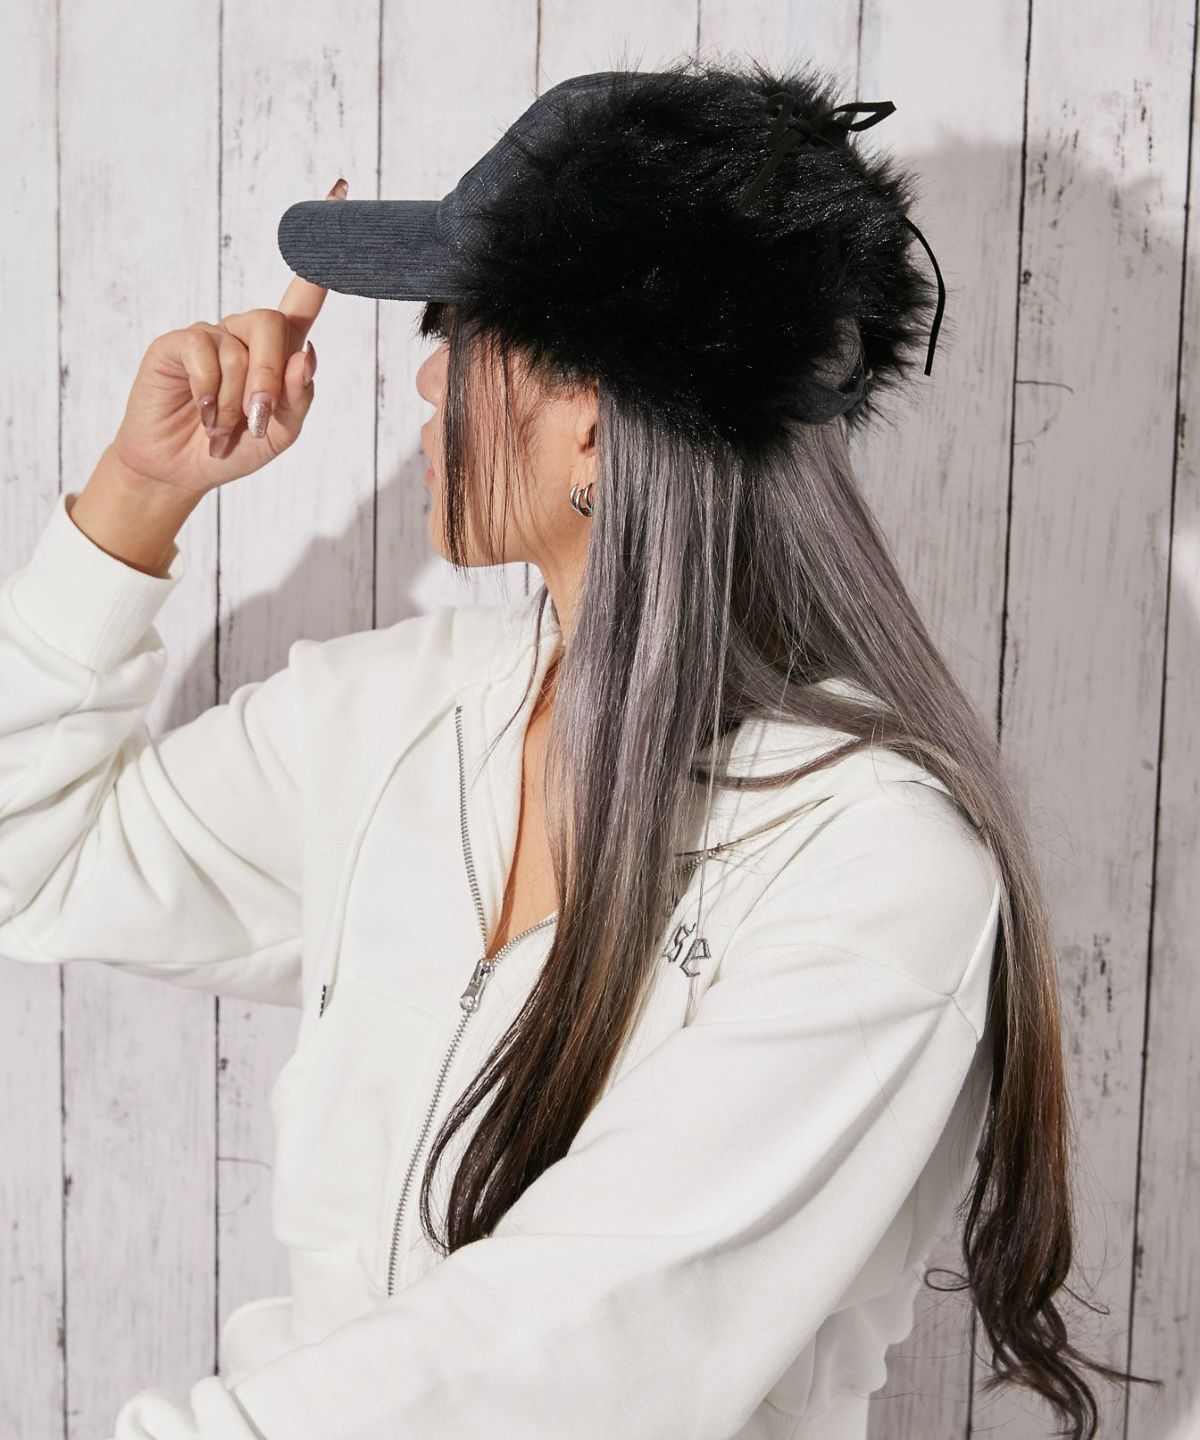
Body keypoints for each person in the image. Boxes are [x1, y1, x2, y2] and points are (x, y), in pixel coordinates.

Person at [0, 57, 1151, 1440]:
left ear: (599, 415)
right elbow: (34, 859)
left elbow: (574, 1351)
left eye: (464, 328)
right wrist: (137, 496)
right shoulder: (393, 715)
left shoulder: (871, 862)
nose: (428, 376)